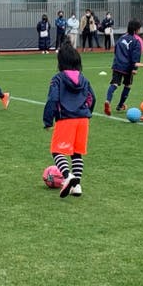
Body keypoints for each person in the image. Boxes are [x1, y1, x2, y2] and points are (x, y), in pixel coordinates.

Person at [43, 43, 95, 198]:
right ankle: (77, 185)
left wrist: (48, 120)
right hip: (83, 119)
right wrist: (86, 112)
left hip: (66, 119)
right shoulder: (84, 79)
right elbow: (92, 98)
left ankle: (67, 176)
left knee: (57, 151)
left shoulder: (58, 79)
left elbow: (53, 99)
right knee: (77, 153)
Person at [104, 19, 143, 116]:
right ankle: (120, 105)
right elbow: (136, 55)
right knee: (128, 85)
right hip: (128, 67)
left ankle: (108, 101)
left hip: (117, 65)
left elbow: (116, 50)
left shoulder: (121, 38)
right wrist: (135, 68)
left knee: (114, 83)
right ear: (136, 29)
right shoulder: (136, 40)